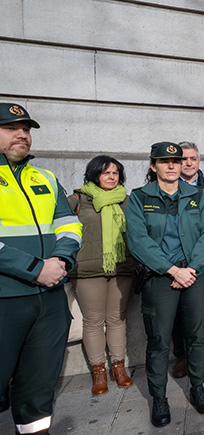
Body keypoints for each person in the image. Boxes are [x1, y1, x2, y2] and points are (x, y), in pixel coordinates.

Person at [0, 103, 82, 435]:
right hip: (6, 300)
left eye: (27, 129)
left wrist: (60, 262)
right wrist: (35, 269)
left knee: (37, 397)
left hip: (49, 301)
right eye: (11, 128)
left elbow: (70, 224)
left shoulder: (44, 177)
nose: (23, 135)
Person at [126, 142, 204, 427]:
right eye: (164, 161)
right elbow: (139, 241)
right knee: (159, 341)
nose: (171, 166)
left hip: (194, 275)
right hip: (160, 277)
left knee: (197, 336)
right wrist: (173, 270)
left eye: (175, 161)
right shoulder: (139, 198)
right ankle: (159, 397)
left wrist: (191, 269)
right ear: (153, 166)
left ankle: (198, 387)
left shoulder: (198, 196)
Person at [68, 156, 135, 396]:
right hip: (87, 271)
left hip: (121, 268)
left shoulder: (127, 201)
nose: (111, 177)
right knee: (94, 320)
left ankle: (119, 367)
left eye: (115, 173)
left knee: (117, 319)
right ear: (94, 174)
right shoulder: (77, 200)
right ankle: (99, 370)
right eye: (106, 172)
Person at [171, 141, 204, 379]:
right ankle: (182, 356)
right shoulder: (167, 187)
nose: (189, 163)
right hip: (178, 263)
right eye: (183, 159)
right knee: (180, 312)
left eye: (193, 159)